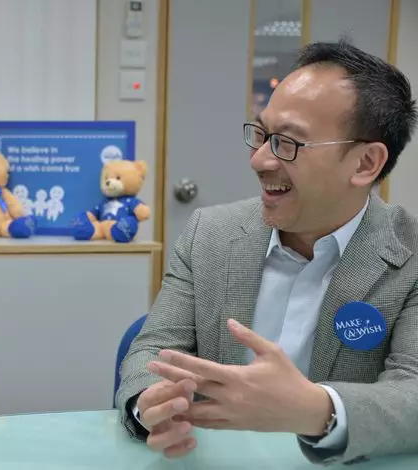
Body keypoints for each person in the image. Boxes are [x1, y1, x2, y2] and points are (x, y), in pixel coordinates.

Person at [116, 39, 418, 466]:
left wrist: (316, 409)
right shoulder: (210, 234)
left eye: (287, 143)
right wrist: (150, 402)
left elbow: (412, 391)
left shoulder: (409, 257)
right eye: (261, 135)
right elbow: (153, 348)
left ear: (365, 163)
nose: (259, 161)